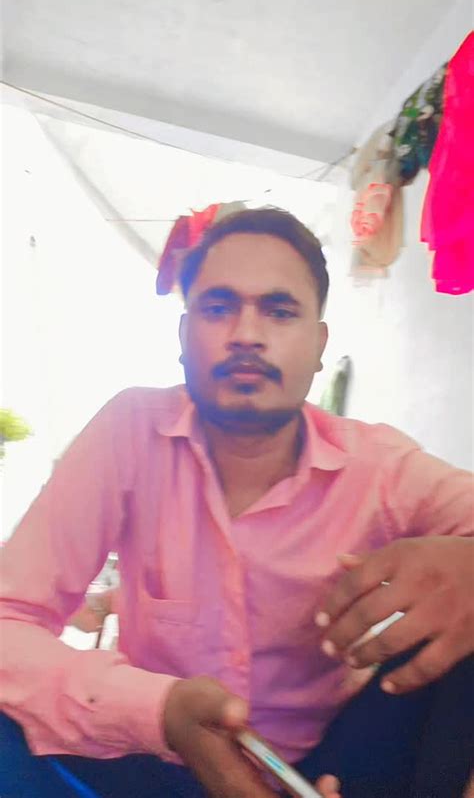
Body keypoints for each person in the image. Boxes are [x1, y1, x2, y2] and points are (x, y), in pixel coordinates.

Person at [0, 207, 473, 798]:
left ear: (319, 345)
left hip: (333, 763)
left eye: (280, 310)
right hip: (161, 754)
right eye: (219, 307)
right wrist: (158, 709)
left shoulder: (379, 467)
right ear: (183, 338)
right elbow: (8, 618)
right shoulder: (130, 432)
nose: (247, 333)